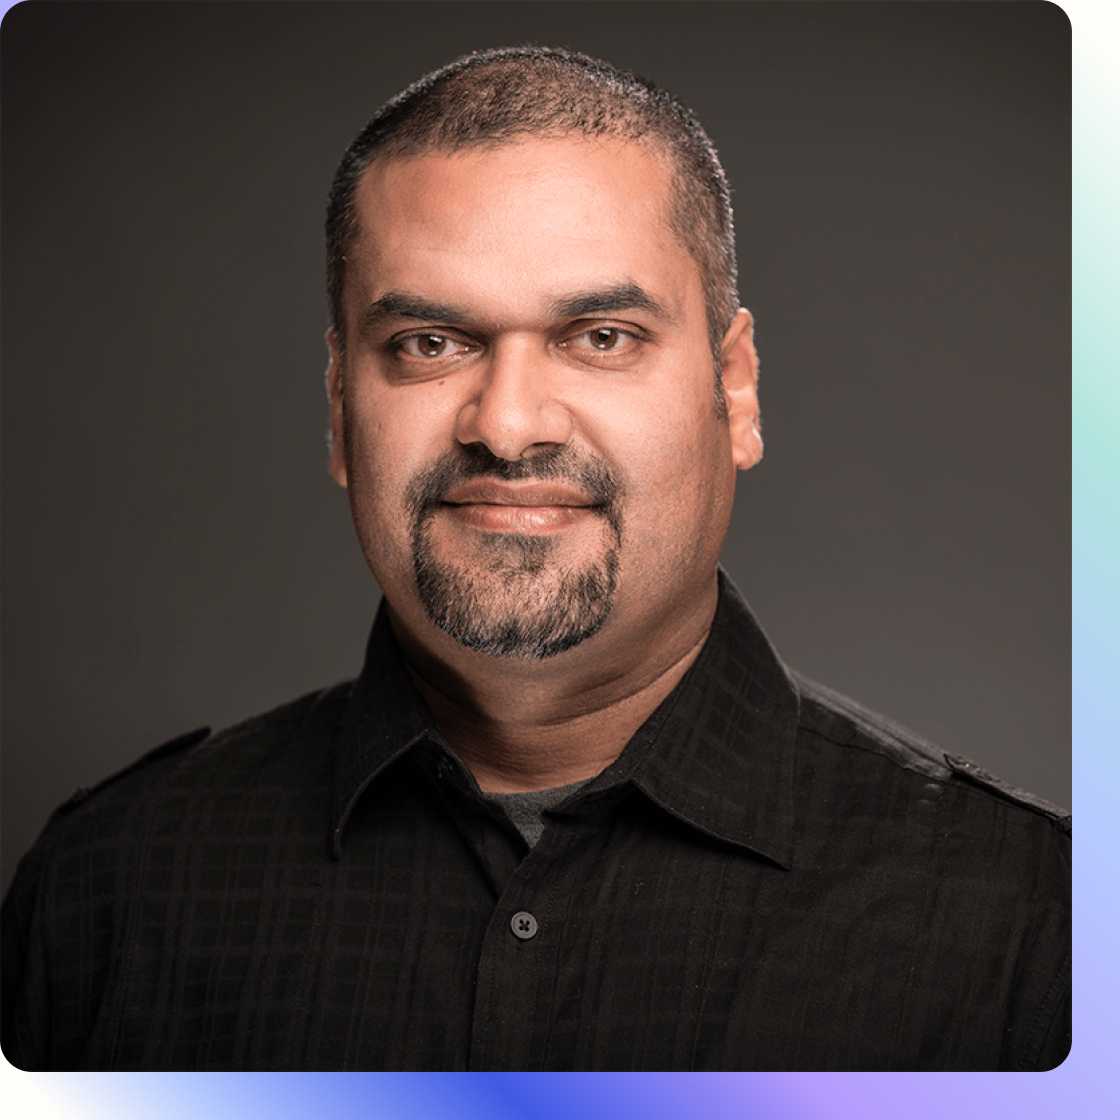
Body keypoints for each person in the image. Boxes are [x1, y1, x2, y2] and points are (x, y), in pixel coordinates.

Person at [1, 46, 1069, 1072]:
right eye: (429, 343)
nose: (507, 427)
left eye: (599, 335)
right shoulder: (108, 892)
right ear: (338, 409)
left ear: (733, 387)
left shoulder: (1035, 929)